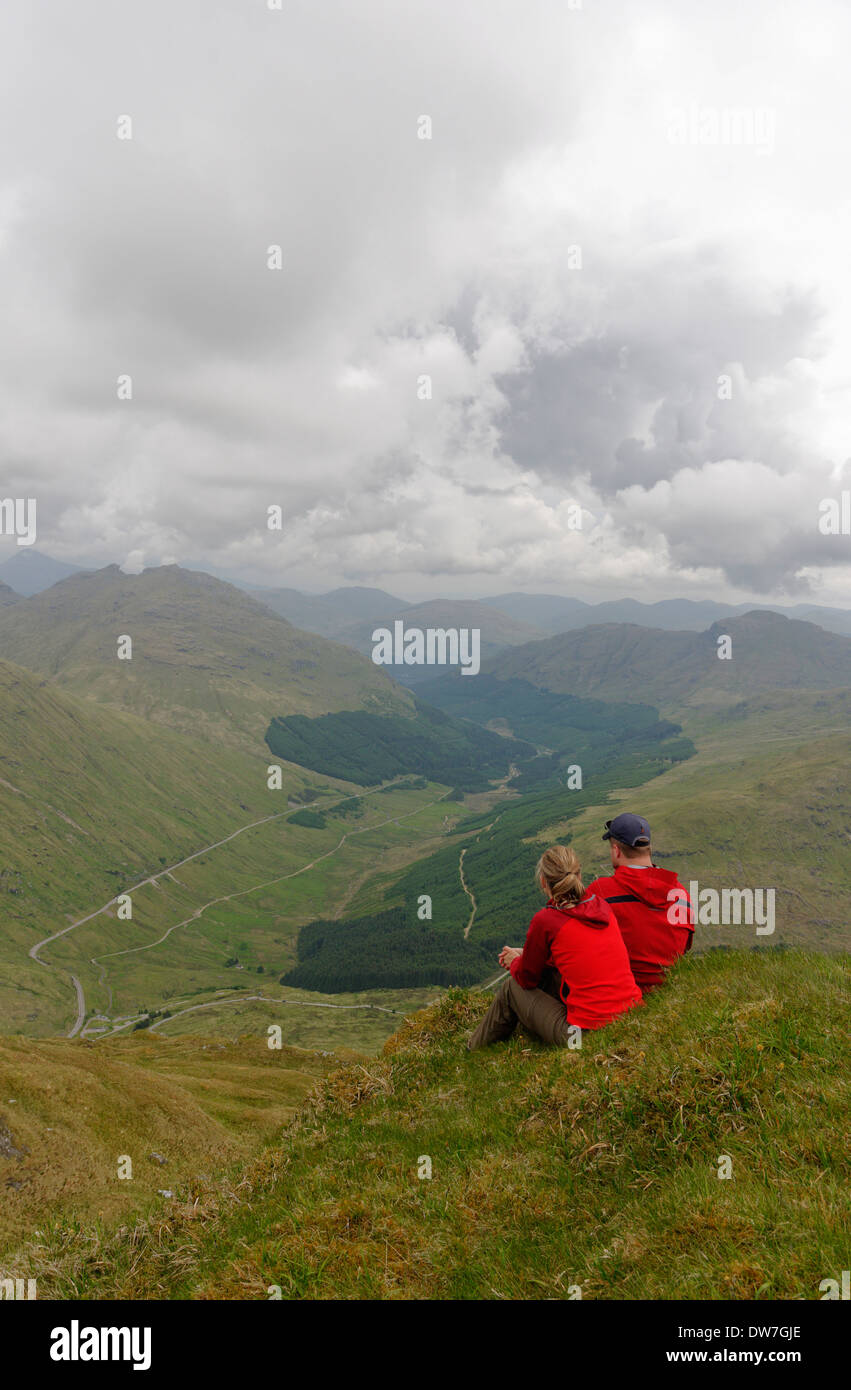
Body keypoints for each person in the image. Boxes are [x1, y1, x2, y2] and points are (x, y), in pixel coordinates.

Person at [467, 845, 642, 1050]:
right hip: (631, 1012)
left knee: (510, 988)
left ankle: (473, 1049)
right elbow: (573, 953)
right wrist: (527, 954)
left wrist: (514, 961)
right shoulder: (601, 906)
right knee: (550, 973)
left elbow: (526, 978)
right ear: (579, 874)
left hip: (584, 1034)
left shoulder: (547, 920)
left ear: (543, 882)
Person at [584, 812, 694, 996]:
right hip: (668, 995)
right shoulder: (681, 895)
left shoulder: (600, 892)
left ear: (616, 850)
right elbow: (684, 949)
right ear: (648, 849)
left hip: (620, 996)